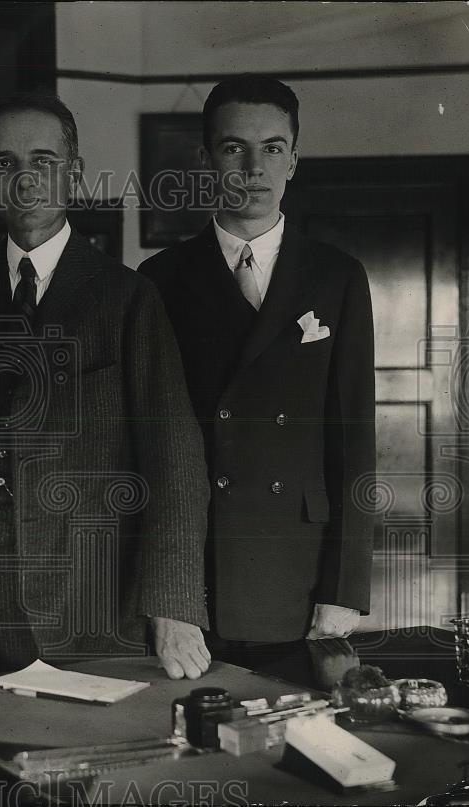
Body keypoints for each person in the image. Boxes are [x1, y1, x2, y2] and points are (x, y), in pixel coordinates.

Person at [0, 93, 211, 679]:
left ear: (73, 173)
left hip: (90, 593)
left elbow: (174, 459)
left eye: (43, 161)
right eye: (3, 164)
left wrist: (172, 605)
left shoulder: (126, 297)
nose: (24, 180)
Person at [139, 76, 376, 648]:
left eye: (272, 148)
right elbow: (149, 452)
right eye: (232, 147)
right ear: (204, 159)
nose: (254, 166)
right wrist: (167, 596)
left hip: (297, 566)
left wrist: (344, 589)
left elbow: (354, 443)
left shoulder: (337, 277)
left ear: (293, 160)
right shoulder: (159, 281)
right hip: (197, 569)